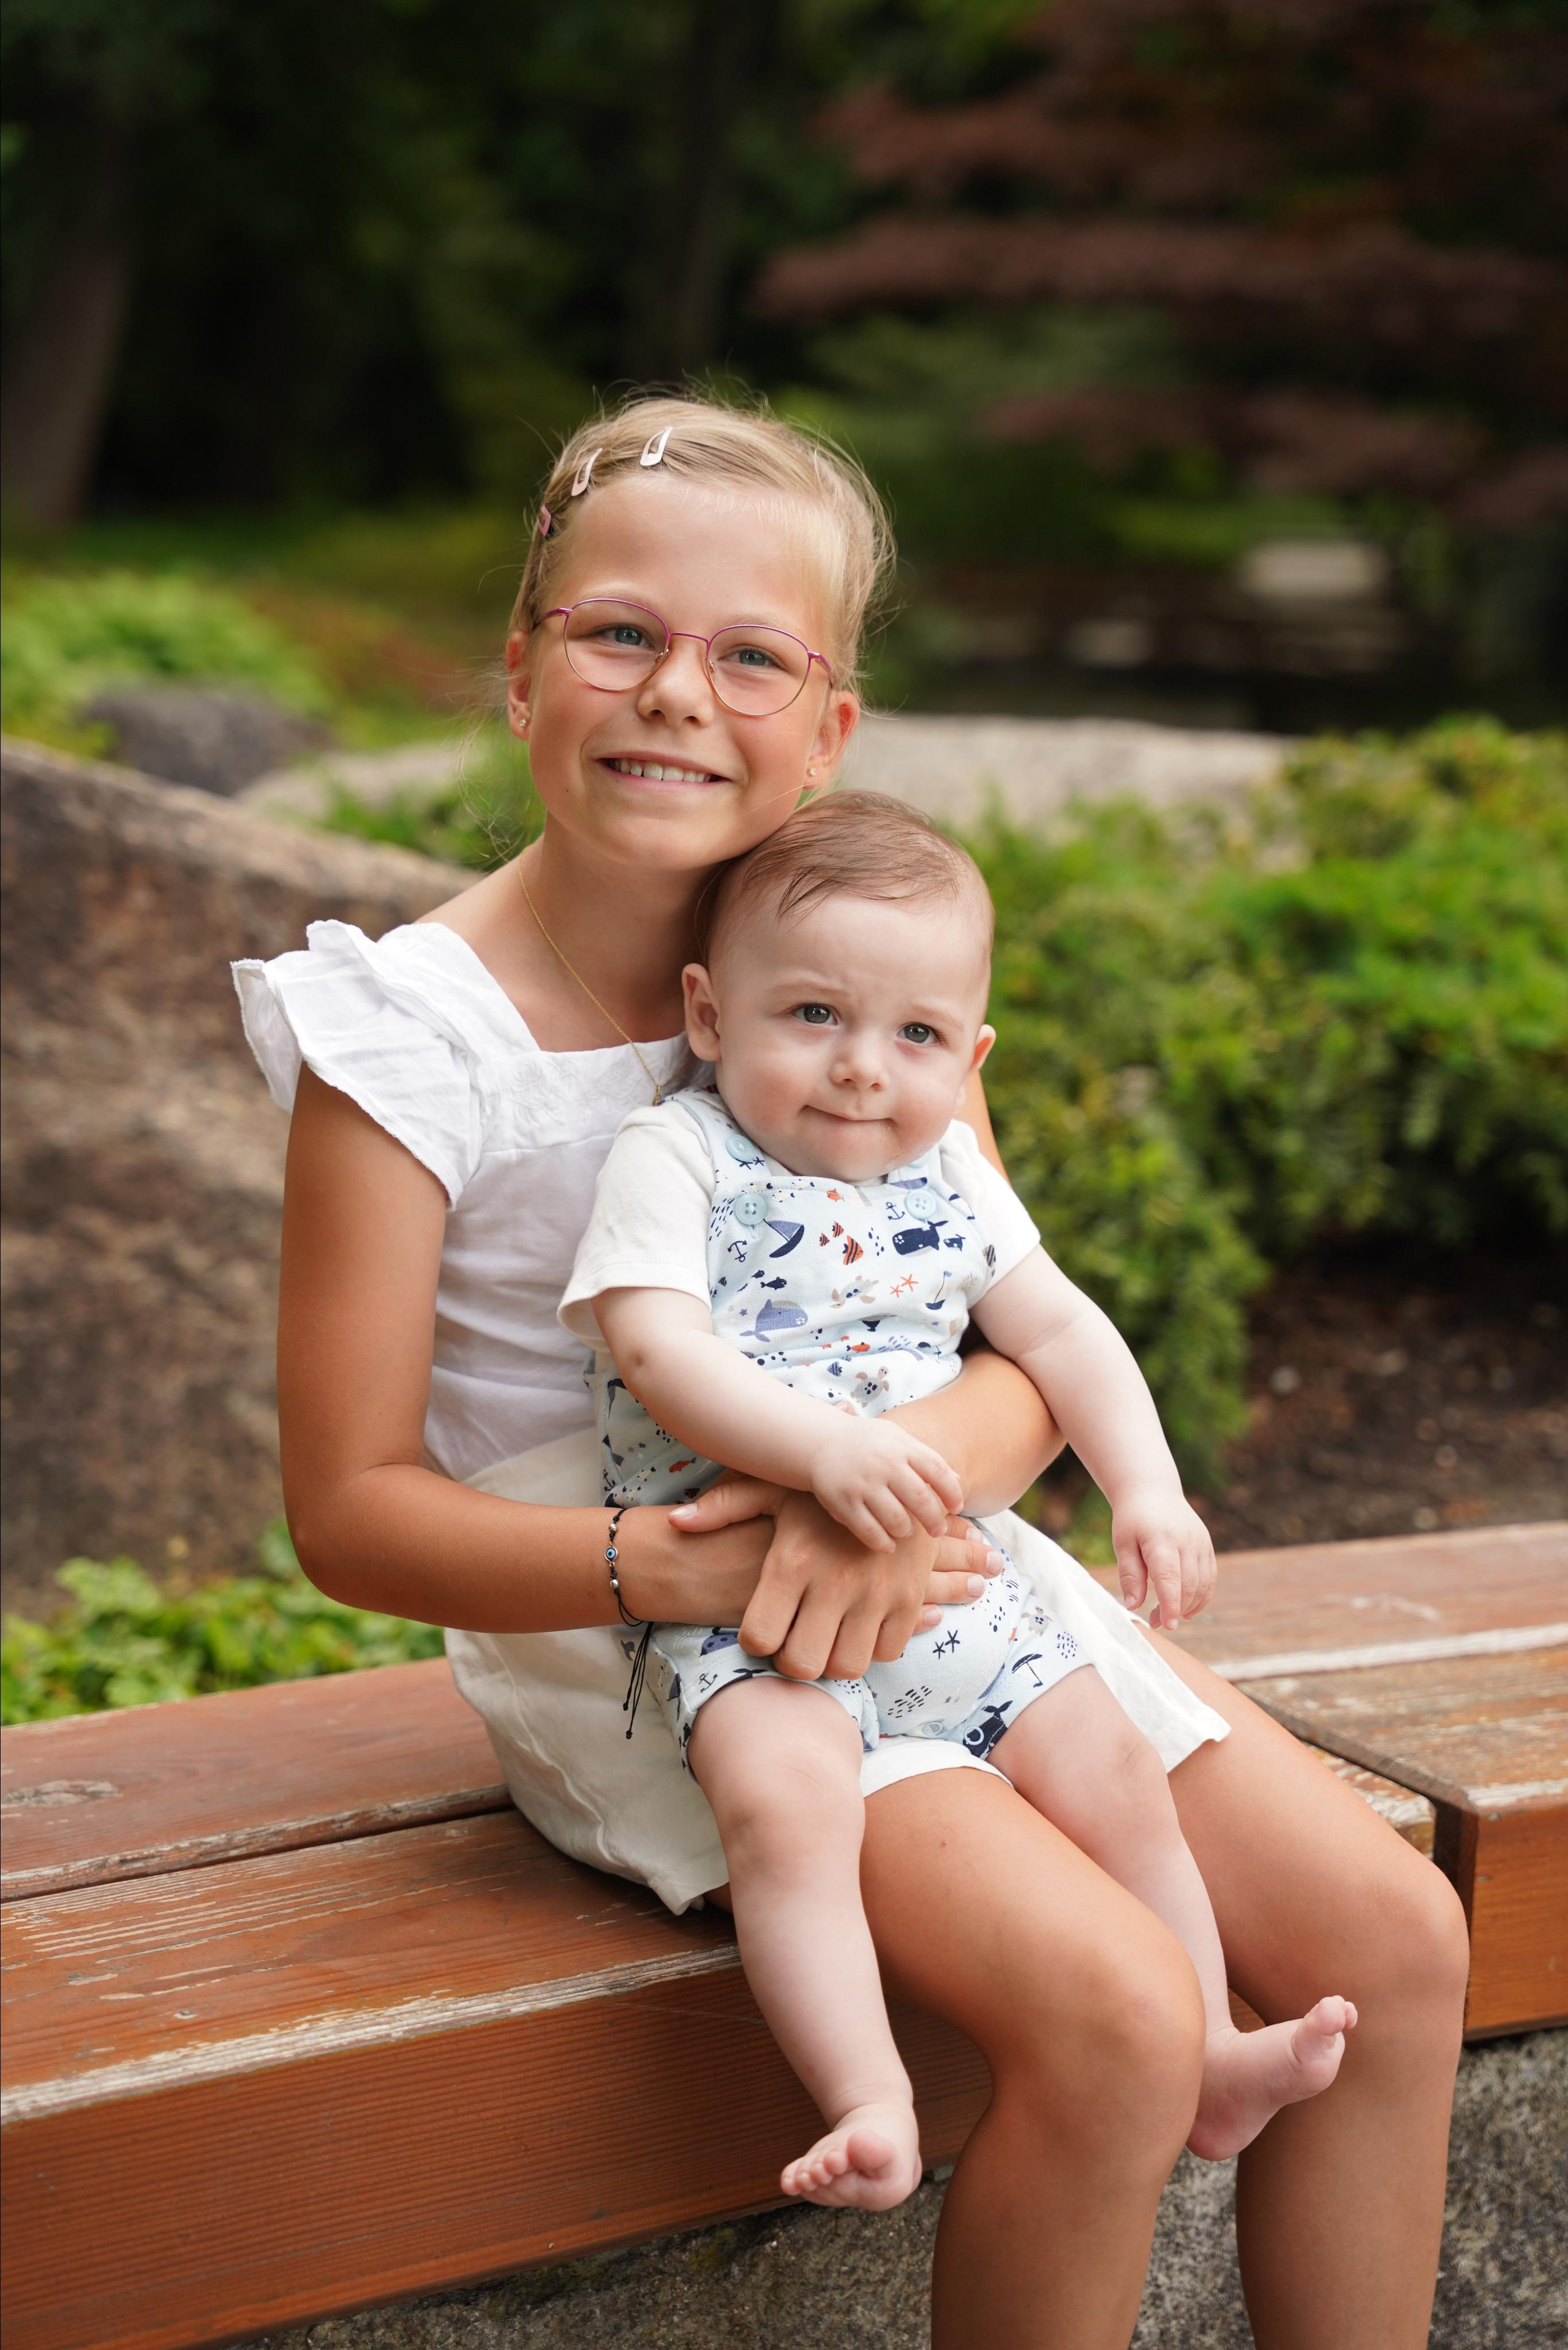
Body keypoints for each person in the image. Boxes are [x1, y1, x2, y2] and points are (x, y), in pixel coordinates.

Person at [236, 393, 1468, 2350]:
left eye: (752, 654)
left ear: (831, 719)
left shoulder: (853, 963)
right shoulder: (409, 1040)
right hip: (653, 1630)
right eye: (617, 631)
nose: (675, 694)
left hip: (927, 1549)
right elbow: (350, 1511)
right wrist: (718, 1560)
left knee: (1399, 1937)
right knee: (1119, 2014)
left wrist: (889, 1478)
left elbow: (1025, 1338)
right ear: (521, 664)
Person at [560, 790, 1357, 2210]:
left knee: (1115, 1774)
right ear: (707, 1010)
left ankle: (1219, 2049)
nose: (864, 1069)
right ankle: (865, 2095)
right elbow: (653, 1345)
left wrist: (1148, 1489)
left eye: (915, 1035)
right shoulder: (676, 1155)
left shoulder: (952, 1174)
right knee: (784, 1805)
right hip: (754, 1614)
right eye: (811, 1013)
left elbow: (1061, 1332)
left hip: (954, 1587)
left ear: (969, 1053)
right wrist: (818, 1451)